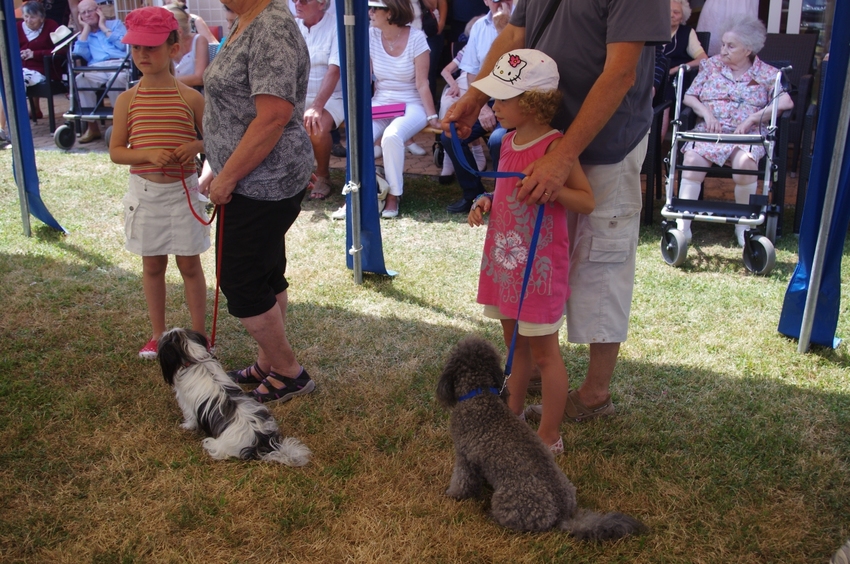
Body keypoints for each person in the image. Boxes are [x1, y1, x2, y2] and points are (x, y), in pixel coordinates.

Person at [444, 0, 668, 421]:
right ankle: (529, 367)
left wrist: (562, 157)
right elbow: (514, 34)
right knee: (536, 258)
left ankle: (594, 393)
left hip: (605, 145)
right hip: (541, 135)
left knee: (601, 262)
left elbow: (621, 72)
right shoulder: (515, 134)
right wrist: (477, 95)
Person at [467, 50, 594, 454]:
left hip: (538, 270)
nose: (494, 106)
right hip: (506, 263)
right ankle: (515, 413)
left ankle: (550, 436)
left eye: (503, 99)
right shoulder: (505, 141)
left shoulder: (555, 146)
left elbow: (586, 201)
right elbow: (507, 191)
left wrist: (552, 189)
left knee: (544, 353)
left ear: (533, 102)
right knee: (514, 345)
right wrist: (489, 200)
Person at [201, 0, 316, 404]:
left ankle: (288, 371)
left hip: (263, 181)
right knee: (265, 272)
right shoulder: (247, 20)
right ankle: (269, 362)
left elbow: (272, 116)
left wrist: (229, 174)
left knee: (241, 280)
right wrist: (221, 165)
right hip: (251, 175)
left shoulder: (270, 26)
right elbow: (239, 107)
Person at [108, 6, 208, 359]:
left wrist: (196, 145)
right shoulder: (127, 100)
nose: (142, 55)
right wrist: (148, 155)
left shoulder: (191, 97)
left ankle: (199, 337)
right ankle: (158, 334)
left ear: (174, 48)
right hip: (146, 195)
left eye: (151, 47)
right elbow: (117, 151)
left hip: (183, 194)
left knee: (190, 266)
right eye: (136, 48)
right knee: (152, 266)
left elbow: (213, 139)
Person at [677, 16, 793, 246]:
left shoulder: (767, 73)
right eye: (722, 44)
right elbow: (689, 96)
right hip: (711, 133)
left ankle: (743, 226)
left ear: (748, 49)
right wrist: (707, 113)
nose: (723, 50)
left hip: (745, 136)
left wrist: (753, 118)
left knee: (746, 164)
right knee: (692, 159)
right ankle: (683, 225)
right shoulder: (711, 66)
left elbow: (786, 103)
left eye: (731, 46)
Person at [334, 0, 439, 219]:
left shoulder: (417, 38)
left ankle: (394, 195)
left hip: (413, 104)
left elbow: (422, 84)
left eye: (374, 8)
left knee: (391, 136)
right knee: (358, 135)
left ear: (390, 12)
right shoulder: (371, 35)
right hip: (382, 101)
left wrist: (432, 116)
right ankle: (354, 195)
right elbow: (366, 78)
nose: (369, 12)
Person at [442, 0, 511, 214]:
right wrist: (481, 108)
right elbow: (471, 71)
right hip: (485, 99)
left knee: (499, 141)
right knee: (450, 135)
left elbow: (519, 65)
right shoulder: (480, 26)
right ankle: (474, 195)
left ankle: (504, 199)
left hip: (516, 101)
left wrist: (504, 28)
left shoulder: (524, 21)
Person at [295, 0, 344, 200]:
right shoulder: (292, 27)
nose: (297, 3)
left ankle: (323, 176)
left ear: (322, 3)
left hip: (332, 96)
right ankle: (295, 176)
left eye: (304, 0)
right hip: (299, 96)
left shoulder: (336, 27)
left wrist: (316, 106)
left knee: (317, 126)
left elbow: (334, 70)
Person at [72, 0, 130, 143]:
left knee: (116, 80)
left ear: (98, 10)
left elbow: (124, 46)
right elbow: (79, 54)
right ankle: (92, 127)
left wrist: (103, 26)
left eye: (90, 11)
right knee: (80, 80)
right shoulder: (84, 34)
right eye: (83, 13)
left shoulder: (115, 24)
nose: (87, 15)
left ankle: (118, 127)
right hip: (97, 67)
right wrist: (85, 29)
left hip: (119, 64)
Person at [659, 0, 708, 139]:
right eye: (668, 11)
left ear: (682, 17)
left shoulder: (687, 33)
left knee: (665, 97)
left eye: (676, 12)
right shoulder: (654, 30)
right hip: (654, 75)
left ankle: (655, 148)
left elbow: (703, 59)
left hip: (674, 79)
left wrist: (676, 69)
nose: (671, 15)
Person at [17, 2, 63, 120]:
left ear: (42, 18)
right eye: (26, 16)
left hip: (44, 69)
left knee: (17, 81)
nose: (28, 20)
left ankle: (13, 121)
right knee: (11, 79)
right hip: (22, 68)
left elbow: (62, 50)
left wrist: (34, 54)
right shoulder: (18, 27)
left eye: (33, 17)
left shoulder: (51, 26)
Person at [165, 3, 209, 89]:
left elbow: (200, 78)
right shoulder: (164, 45)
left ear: (179, 32)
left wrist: (165, 82)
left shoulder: (199, 41)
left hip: (193, 96)